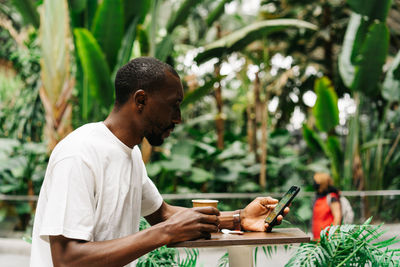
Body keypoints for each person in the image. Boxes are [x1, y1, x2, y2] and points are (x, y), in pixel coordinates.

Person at [30, 57, 290, 267]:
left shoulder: (130, 154)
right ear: (141, 100)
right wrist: (166, 233)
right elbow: (67, 259)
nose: (177, 118)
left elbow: (163, 214)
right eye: (173, 105)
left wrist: (238, 218)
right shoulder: (79, 153)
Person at [311, 172, 341, 240]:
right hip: (317, 237)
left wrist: (334, 234)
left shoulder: (332, 197)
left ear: (322, 183)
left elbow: (337, 217)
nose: (315, 184)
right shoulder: (318, 197)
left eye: (316, 182)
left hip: (327, 238)